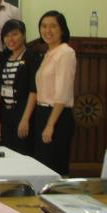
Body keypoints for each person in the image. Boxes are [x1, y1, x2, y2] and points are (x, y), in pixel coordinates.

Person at [34, 11, 76, 175]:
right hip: (42, 112)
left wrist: (50, 125)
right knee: (42, 167)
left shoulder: (65, 52)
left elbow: (62, 94)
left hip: (57, 116)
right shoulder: (49, 53)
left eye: (53, 26)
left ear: (62, 30)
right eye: (44, 26)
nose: (48, 30)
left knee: (54, 168)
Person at [0, 19, 40, 155]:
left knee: (22, 154)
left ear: (23, 35)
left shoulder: (31, 57)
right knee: (4, 155)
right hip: (4, 116)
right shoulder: (3, 58)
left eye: (15, 34)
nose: (10, 39)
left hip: (22, 113)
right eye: (6, 36)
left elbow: (33, 90)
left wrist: (25, 119)